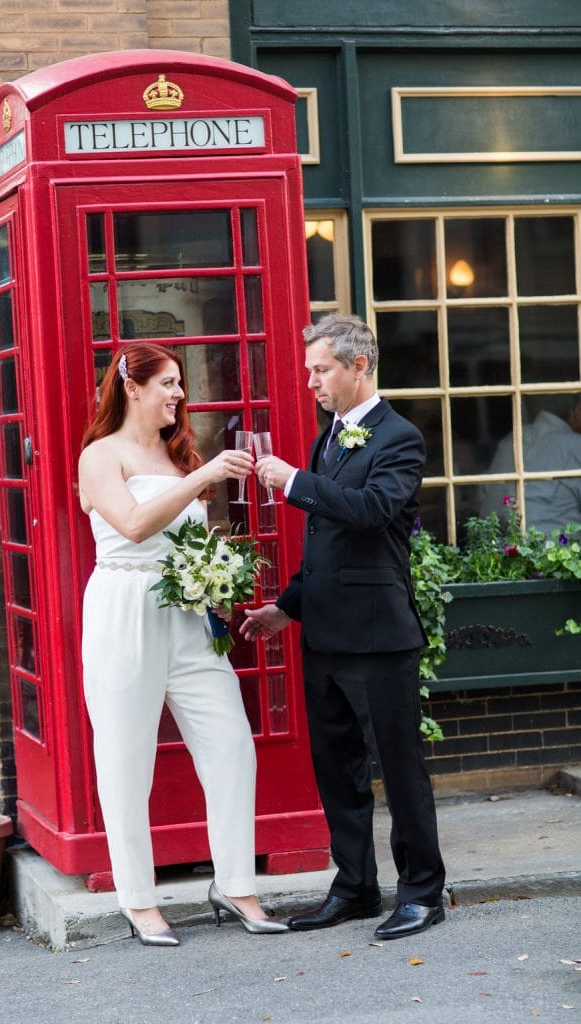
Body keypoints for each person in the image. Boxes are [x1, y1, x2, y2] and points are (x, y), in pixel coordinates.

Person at [240, 313, 446, 940]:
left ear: (360, 366)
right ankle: (355, 886)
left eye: (321, 369)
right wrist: (286, 608)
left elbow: (374, 512)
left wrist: (296, 482)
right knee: (338, 770)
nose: (311, 382)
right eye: (308, 370)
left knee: (400, 768)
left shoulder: (400, 437)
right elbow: (324, 548)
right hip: (325, 634)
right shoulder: (328, 436)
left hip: (381, 637)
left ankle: (422, 892)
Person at [78, 342, 288, 947]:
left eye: (180, 384)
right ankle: (139, 900)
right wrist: (204, 474)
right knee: (125, 760)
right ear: (133, 388)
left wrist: (218, 578)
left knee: (231, 748)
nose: (178, 395)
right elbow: (136, 526)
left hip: (189, 617)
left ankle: (235, 885)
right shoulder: (101, 456)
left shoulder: (177, 456)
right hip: (124, 610)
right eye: (168, 383)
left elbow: (187, 539)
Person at [480, 396, 581, 534]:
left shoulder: (512, 438)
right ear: (577, 411)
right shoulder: (575, 445)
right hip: (553, 548)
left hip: (493, 545)